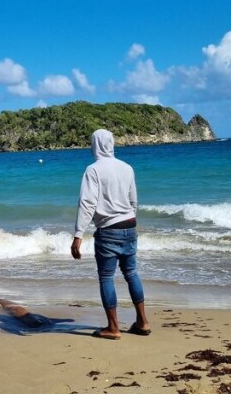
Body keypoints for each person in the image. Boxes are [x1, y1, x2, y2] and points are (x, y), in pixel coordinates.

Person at [71, 129, 151, 340]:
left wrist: (78, 234)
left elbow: (87, 203)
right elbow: (133, 200)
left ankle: (113, 328)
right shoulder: (127, 167)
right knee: (131, 273)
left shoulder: (93, 170)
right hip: (130, 225)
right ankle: (142, 321)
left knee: (106, 277)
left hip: (108, 230)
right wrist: (128, 221)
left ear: (95, 145)